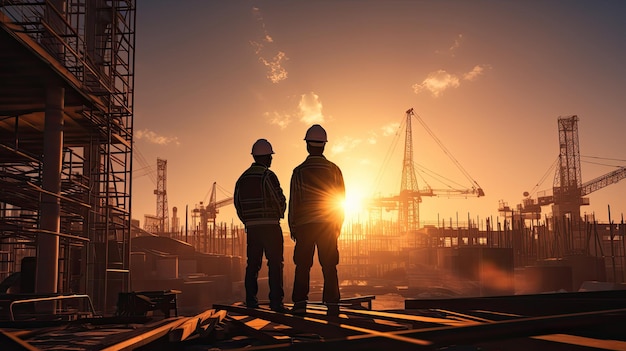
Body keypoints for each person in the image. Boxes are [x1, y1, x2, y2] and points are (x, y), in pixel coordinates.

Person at [288, 124, 345, 316]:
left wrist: (293, 228)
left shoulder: (299, 171)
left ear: (307, 146)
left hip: (304, 225)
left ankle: (300, 303)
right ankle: (332, 304)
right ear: (324, 146)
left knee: (302, 264)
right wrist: (337, 226)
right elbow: (340, 200)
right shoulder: (334, 170)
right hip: (328, 224)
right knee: (329, 264)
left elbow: (294, 202)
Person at [234, 138, 287, 312]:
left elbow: (238, 204)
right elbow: (278, 200)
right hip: (270, 227)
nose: (272, 159)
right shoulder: (267, 176)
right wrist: (279, 212)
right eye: (270, 156)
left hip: (253, 229)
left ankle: (251, 301)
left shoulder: (242, 179)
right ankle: (276, 302)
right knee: (275, 263)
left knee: (253, 264)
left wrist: (248, 221)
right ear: (265, 157)